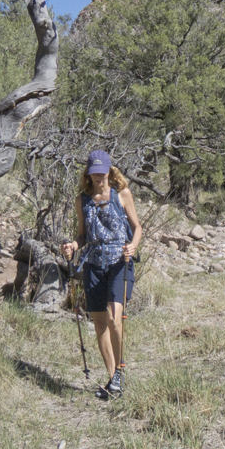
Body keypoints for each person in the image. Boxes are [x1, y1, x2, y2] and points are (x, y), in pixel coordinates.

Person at [61, 149, 142, 399]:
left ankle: (120, 371)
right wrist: (74, 246)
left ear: (109, 170)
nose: (98, 176)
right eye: (93, 171)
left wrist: (134, 245)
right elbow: (82, 234)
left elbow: (137, 227)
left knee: (113, 317)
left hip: (120, 262)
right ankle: (112, 380)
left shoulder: (122, 194)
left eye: (102, 170)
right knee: (99, 324)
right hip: (94, 265)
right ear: (88, 172)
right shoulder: (82, 200)